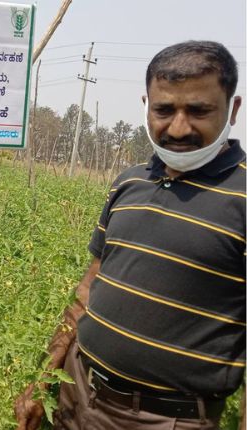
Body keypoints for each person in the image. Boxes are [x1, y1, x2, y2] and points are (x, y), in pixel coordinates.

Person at [14, 40, 245, 429]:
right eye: (164, 110)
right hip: (74, 394)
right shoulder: (129, 183)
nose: (179, 127)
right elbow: (88, 289)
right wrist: (43, 380)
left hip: (164, 420)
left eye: (199, 110)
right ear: (146, 106)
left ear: (232, 109)